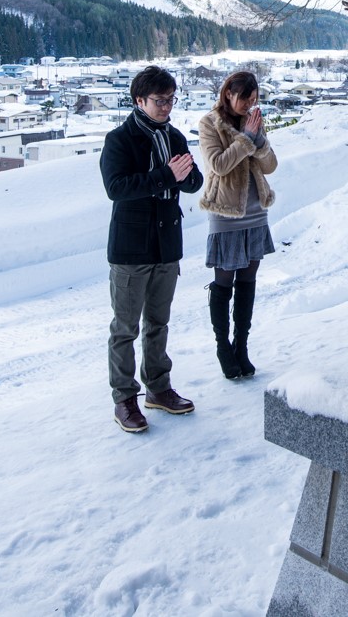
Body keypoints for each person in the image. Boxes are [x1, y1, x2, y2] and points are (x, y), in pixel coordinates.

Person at [100, 65, 204, 433]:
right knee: (125, 328)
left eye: (171, 99)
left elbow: (193, 182)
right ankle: (125, 398)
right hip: (131, 248)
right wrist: (166, 175)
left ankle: (159, 388)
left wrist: (186, 175)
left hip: (166, 246)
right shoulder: (120, 140)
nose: (167, 107)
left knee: (158, 324)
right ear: (139, 100)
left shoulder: (174, 136)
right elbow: (116, 187)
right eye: (160, 101)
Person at [196, 71, 278, 379]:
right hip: (226, 212)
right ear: (228, 93)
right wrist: (245, 139)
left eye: (254, 100)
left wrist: (258, 142)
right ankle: (223, 347)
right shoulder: (209, 123)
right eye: (245, 98)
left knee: (248, 279)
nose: (249, 105)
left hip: (255, 210)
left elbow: (270, 165)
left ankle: (241, 346)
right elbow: (218, 165)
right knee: (224, 280)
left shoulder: (254, 122)